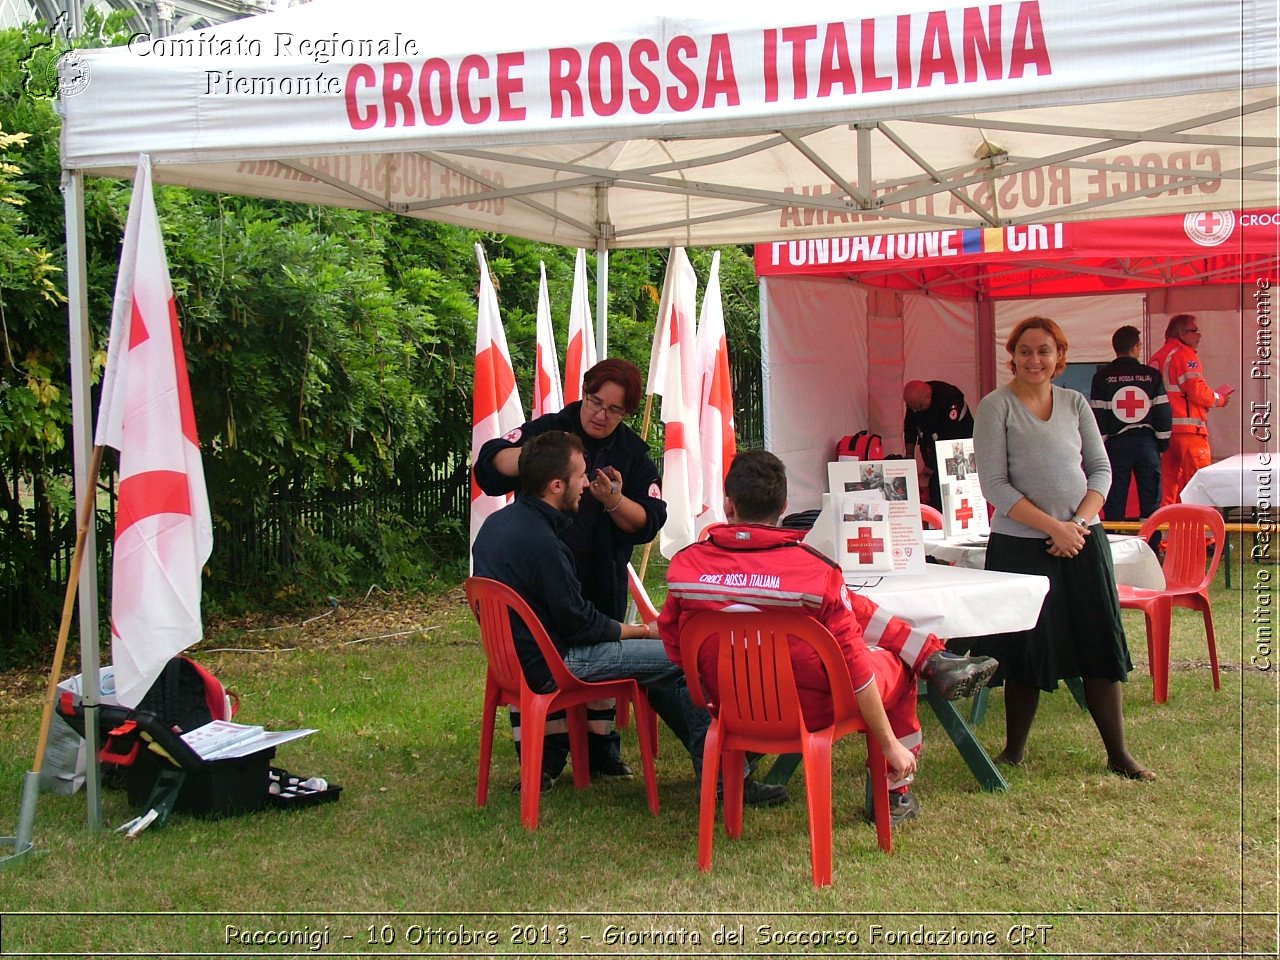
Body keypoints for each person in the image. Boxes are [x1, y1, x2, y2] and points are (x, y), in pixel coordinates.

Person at [657, 450, 999, 825]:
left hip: (729, 704)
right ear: (785, 506)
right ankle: (895, 791)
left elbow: (674, 643)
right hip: (816, 708)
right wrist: (888, 744)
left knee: (850, 604)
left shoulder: (686, 567)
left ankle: (932, 657)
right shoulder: (815, 572)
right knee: (898, 667)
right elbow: (858, 672)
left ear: (727, 504)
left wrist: (728, 680)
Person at [473, 431, 785, 805]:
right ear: (556, 485)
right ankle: (727, 775)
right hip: (559, 661)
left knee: (664, 665)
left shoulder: (496, 526)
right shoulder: (545, 546)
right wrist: (641, 631)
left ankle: (723, 755)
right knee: (680, 659)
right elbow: (581, 626)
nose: (587, 484)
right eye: (580, 477)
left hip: (515, 663)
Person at [972, 316, 1154, 781]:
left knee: (1099, 640)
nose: (1036, 360)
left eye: (1045, 351)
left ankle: (1119, 753)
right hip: (1021, 548)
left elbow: (1101, 471)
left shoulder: (1075, 403)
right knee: (1025, 648)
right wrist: (1053, 526)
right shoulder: (996, 407)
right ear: (1013, 355)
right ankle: (1015, 750)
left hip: (1081, 543)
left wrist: (1075, 525)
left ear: (1060, 357)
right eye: (1027, 351)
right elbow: (994, 485)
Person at [475, 358, 664, 782]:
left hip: (600, 571)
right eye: (595, 401)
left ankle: (601, 750)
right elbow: (488, 464)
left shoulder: (633, 454)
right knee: (552, 651)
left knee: (598, 641)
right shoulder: (548, 429)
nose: (600, 414)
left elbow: (651, 519)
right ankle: (547, 754)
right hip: (538, 570)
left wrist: (613, 500)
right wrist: (540, 461)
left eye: (614, 410)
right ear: (583, 391)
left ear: (627, 414)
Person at [1147, 313, 1233, 506]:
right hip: (1189, 433)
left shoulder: (1157, 357)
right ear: (1182, 333)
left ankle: (1167, 533)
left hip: (1164, 434)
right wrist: (1218, 399)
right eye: (1194, 331)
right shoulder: (1184, 355)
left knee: (1168, 489)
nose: (1199, 336)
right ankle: (1204, 534)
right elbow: (1196, 390)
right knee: (1198, 485)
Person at [1089, 325, 1172, 520]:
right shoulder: (1151, 376)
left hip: (1116, 445)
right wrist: (1162, 442)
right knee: (1150, 499)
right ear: (1136, 347)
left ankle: (1114, 542)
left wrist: (1101, 446)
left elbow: (1098, 416)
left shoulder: (1102, 377)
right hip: (1147, 443)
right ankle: (1149, 544)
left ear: (1115, 348)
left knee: (1114, 497)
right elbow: (1163, 411)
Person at [903, 380, 974, 507]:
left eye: (917, 407)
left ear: (928, 397)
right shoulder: (916, 400)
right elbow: (910, 426)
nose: (914, 411)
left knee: (943, 492)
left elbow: (948, 441)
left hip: (958, 450)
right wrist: (909, 457)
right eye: (911, 408)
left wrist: (927, 472)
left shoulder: (949, 398)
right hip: (933, 447)